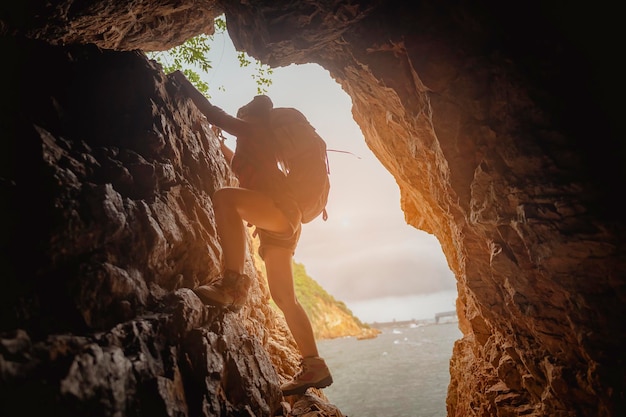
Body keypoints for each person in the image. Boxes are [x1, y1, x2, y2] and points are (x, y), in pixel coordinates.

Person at [170, 70, 333, 396]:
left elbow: (216, 113)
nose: (238, 118)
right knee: (285, 297)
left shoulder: (255, 128)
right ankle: (314, 365)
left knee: (225, 199)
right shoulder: (255, 144)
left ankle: (232, 284)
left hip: (281, 212)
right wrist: (218, 145)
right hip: (283, 225)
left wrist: (184, 84)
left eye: (242, 113)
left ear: (250, 115)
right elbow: (240, 164)